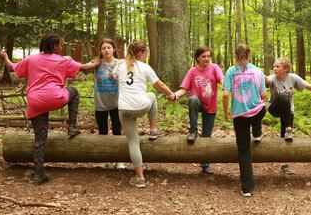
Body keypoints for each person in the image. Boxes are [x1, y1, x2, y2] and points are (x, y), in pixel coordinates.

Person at [0, 34, 99, 184]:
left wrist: (5, 56)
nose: (61, 47)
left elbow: (12, 67)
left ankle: (38, 174)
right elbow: (84, 68)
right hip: (55, 98)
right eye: (60, 44)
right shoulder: (64, 60)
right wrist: (97, 62)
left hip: (35, 102)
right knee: (74, 92)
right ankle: (72, 126)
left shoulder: (32, 59)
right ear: (54, 46)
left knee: (40, 138)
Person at [113, 41, 176, 187]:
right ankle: (153, 129)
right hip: (141, 106)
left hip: (124, 109)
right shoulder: (144, 67)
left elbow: (113, 76)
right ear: (140, 53)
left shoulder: (121, 65)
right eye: (145, 54)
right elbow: (159, 85)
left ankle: (140, 178)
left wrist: (121, 64)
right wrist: (171, 94)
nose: (146, 56)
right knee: (152, 95)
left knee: (133, 142)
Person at [266, 57, 311, 175]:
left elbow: (309, 86)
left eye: (278, 66)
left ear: (286, 69)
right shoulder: (272, 78)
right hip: (274, 108)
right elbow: (266, 82)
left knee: (286, 137)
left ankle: (284, 164)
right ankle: (288, 128)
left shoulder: (293, 78)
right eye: (274, 66)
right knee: (285, 99)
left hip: (287, 112)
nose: (274, 68)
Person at [222, 44, 267, 197]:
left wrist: (225, 111)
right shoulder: (258, 71)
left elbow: (226, 94)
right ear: (249, 54)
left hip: (239, 115)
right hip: (256, 112)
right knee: (261, 109)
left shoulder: (230, 71)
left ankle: (247, 188)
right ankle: (257, 131)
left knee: (243, 150)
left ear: (235, 54)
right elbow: (263, 95)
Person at [173, 46, 224, 175]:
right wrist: (175, 95)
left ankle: (205, 166)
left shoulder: (214, 68)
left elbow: (222, 81)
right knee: (193, 99)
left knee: (207, 136)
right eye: (203, 56)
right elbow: (184, 89)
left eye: (208, 56)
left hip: (210, 105)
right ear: (197, 58)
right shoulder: (192, 71)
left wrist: (229, 87)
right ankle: (193, 130)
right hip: (198, 103)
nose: (207, 58)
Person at [93, 38, 126, 169]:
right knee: (102, 132)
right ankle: (103, 159)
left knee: (117, 131)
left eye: (108, 47)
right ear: (100, 51)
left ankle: (119, 160)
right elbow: (82, 69)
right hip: (100, 102)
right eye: (103, 48)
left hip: (117, 102)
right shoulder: (96, 64)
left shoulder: (121, 63)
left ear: (113, 49)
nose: (106, 50)